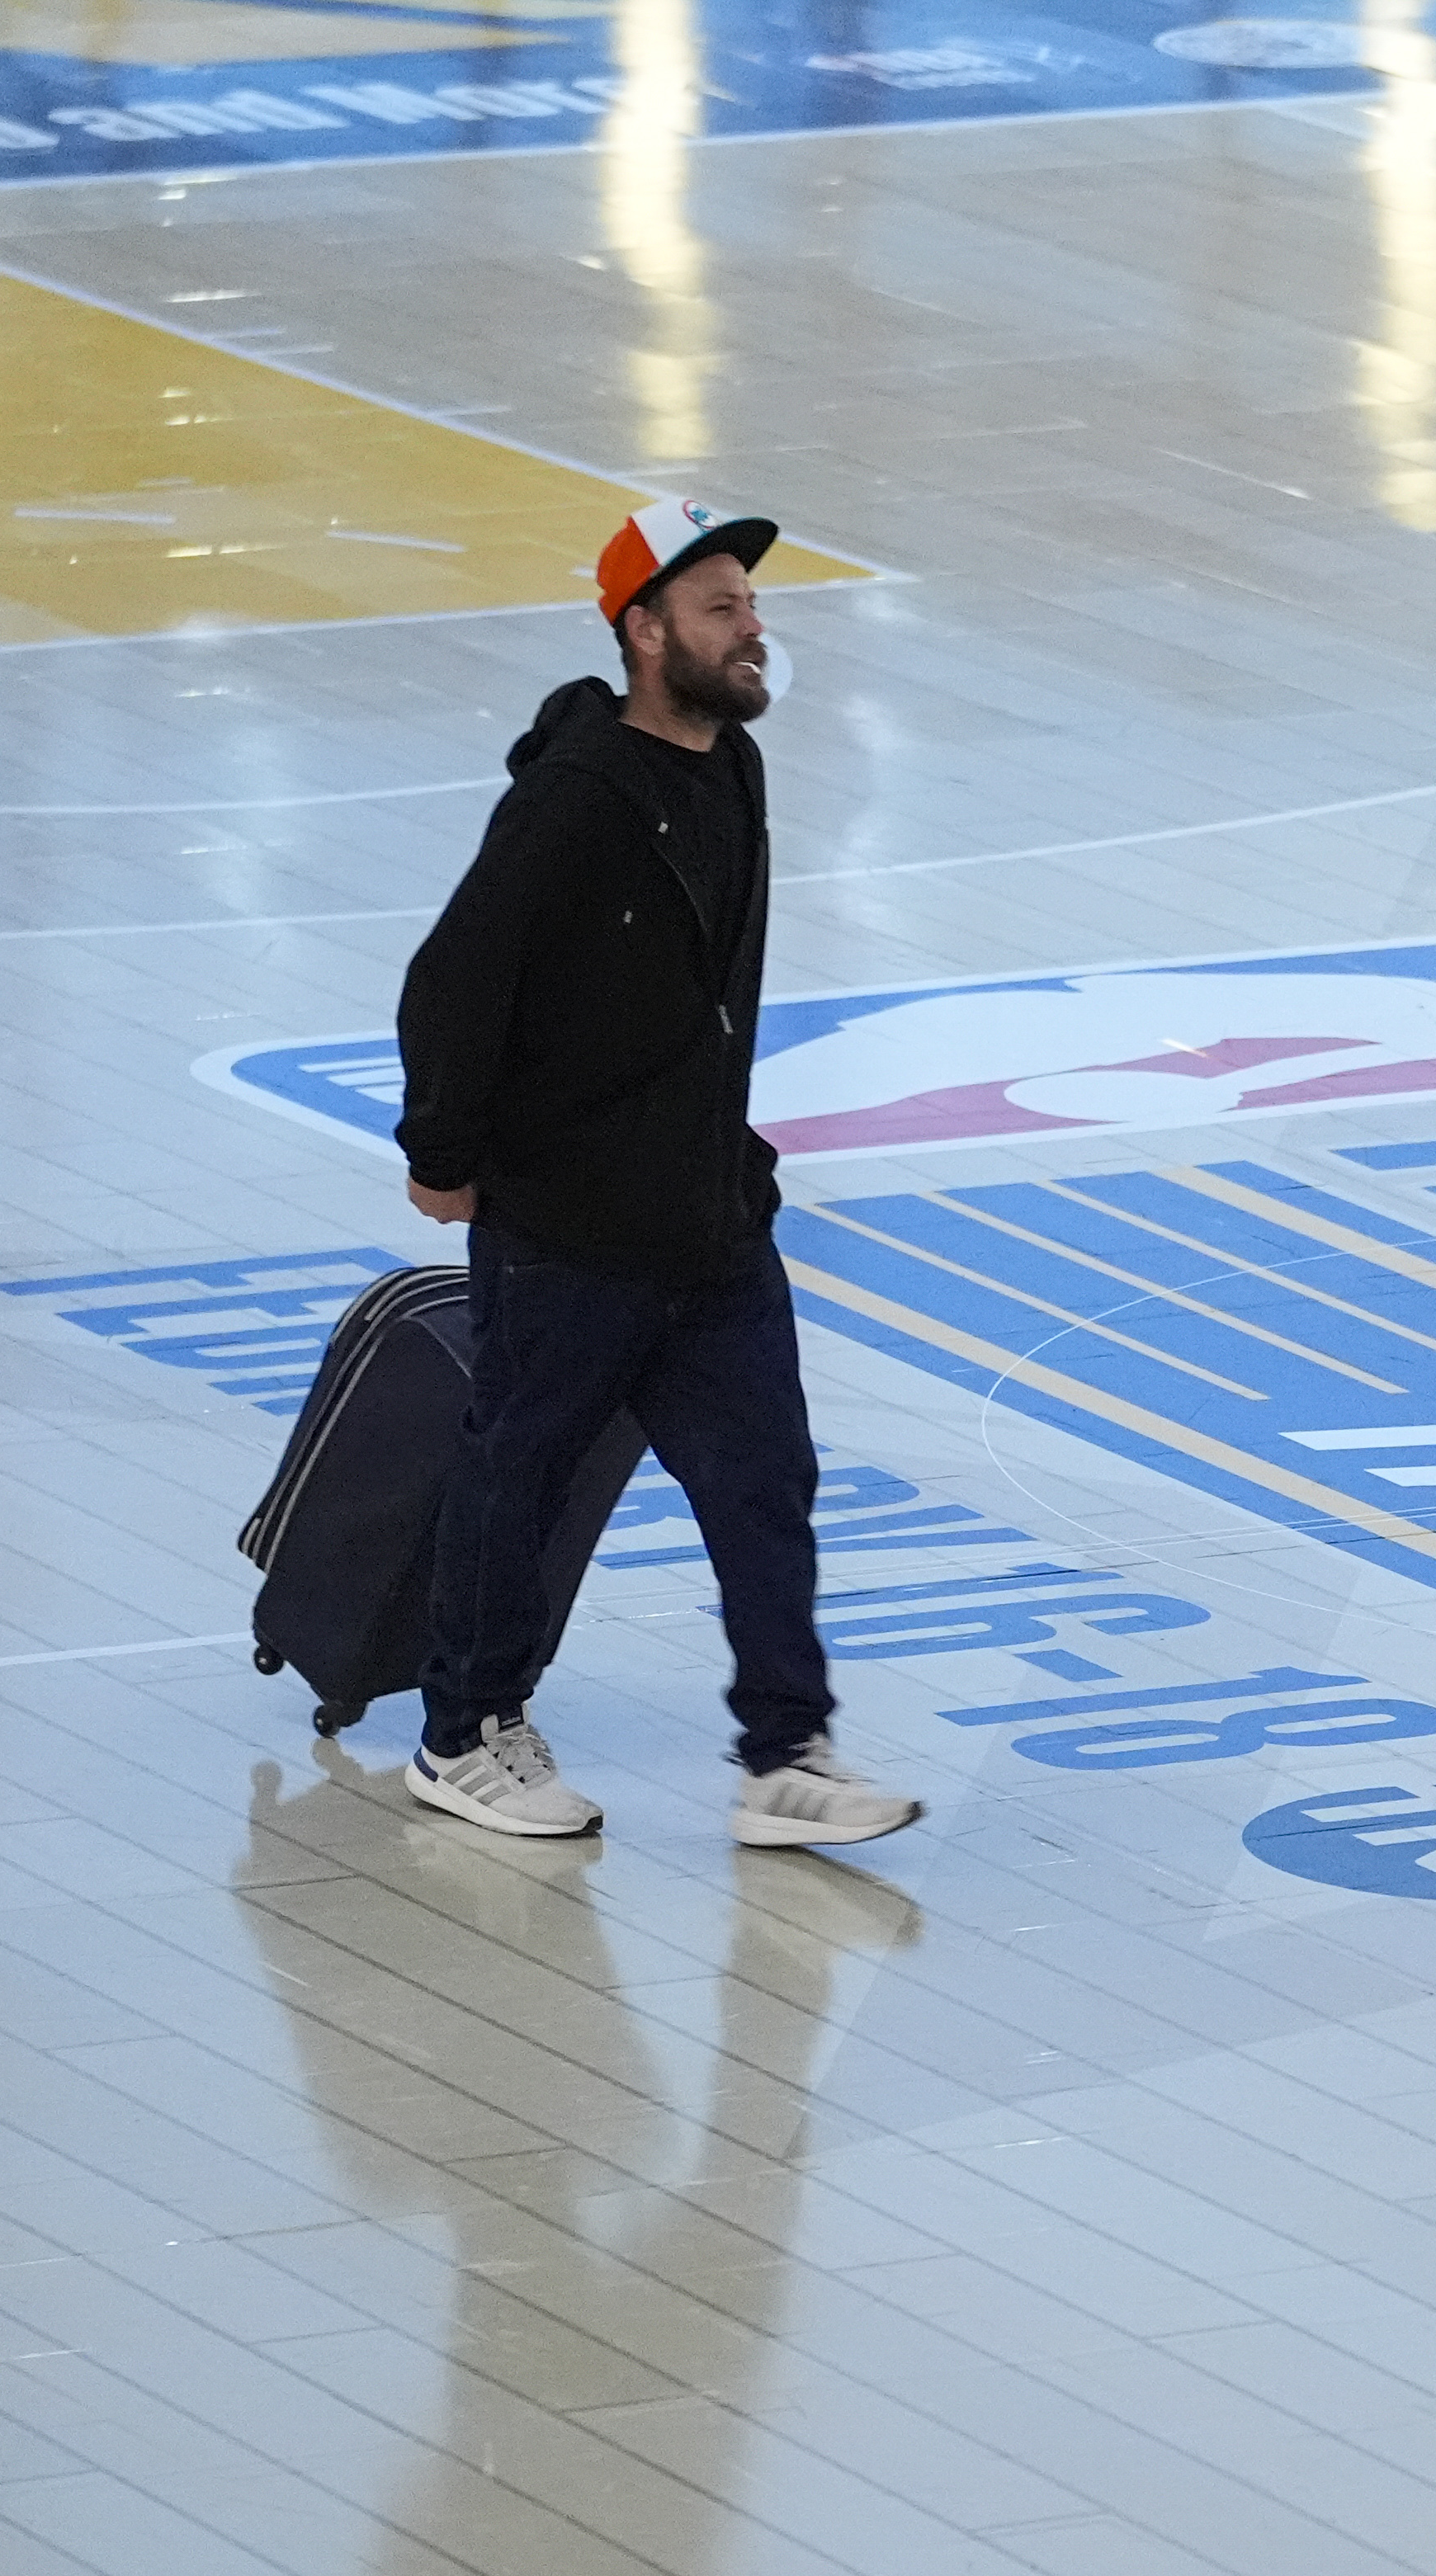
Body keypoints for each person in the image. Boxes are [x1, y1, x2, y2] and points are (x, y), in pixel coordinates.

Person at [388, 496, 918, 1850]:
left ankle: (785, 1754)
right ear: (642, 632)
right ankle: (464, 1733)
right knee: (525, 1477)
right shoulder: (574, 805)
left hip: (708, 1216)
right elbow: (454, 980)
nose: (753, 630)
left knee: (764, 1478)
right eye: (720, 608)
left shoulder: (731, 768)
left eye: (751, 604)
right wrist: (442, 1155)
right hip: (570, 1223)